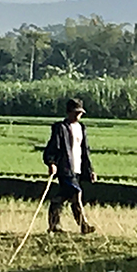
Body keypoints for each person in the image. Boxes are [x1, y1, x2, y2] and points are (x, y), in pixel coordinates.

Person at [43, 98, 97, 234]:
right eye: (76, 112)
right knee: (76, 193)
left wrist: (90, 170)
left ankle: (54, 224)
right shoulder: (60, 128)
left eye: (80, 112)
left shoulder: (81, 128)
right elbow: (53, 147)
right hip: (65, 168)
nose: (78, 115)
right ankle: (84, 225)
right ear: (70, 112)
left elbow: (85, 151)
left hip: (77, 168)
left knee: (64, 196)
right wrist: (51, 163)